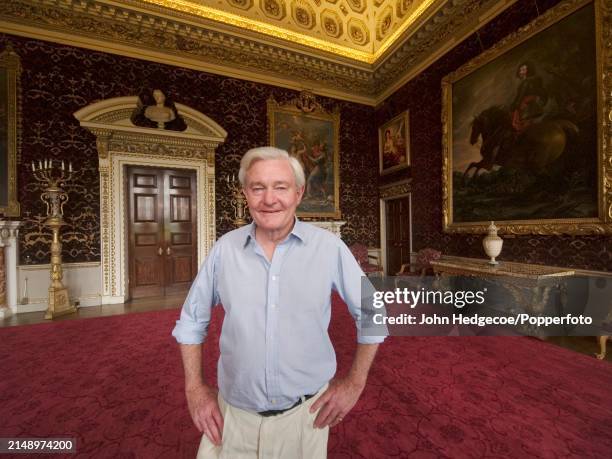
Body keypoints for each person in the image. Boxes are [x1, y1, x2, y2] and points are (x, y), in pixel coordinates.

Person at [172, 146, 385, 458]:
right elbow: (191, 323)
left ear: (298, 193)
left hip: (305, 418)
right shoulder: (224, 250)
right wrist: (195, 389)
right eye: (258, 188)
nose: (269, 199)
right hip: (232, 418)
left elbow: (372, 311)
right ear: (245, 193)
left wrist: (354, 383)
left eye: (280, 187)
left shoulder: (329, 248)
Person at [509, 62, 548, 133]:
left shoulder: (526, 82)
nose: (521, 72)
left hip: (528, 107)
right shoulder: (531, 81)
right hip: (533, 105)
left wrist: (515, 106)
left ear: (528, 71)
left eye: (523, 70)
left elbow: (520, 97)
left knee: (517, 125)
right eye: (520, 70)